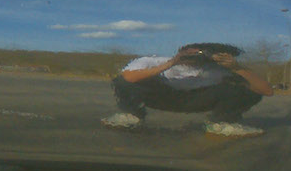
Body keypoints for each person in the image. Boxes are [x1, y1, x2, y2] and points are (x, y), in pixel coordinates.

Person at [102, 41, 272, 136]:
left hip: (196, 101)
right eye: (190, 52)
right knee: (122, 80)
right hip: (160, 97)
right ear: (180, 50)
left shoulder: (219, 71)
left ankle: (222, 123)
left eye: (201, 53)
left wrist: (237, 68)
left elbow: (265, 90)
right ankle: (132, 115)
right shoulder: (151, 61)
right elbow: (127, 79)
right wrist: (171, 63)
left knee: (243, 88)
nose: (194, 56)